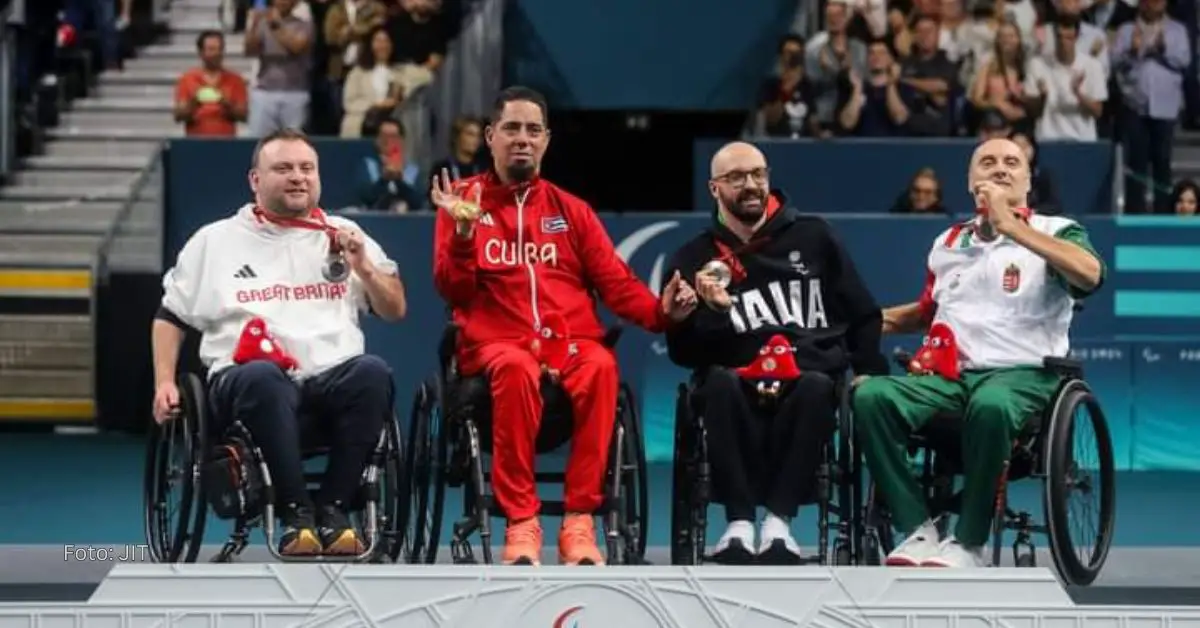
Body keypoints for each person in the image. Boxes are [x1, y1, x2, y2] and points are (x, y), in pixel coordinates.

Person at [431, 86, 697, 567]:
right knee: (513, 367)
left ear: (547, 141)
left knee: (600, 365)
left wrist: (663, 314)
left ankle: (579, 521)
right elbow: (453, 292)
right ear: (490, 136)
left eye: (533, 130)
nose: (522, 139)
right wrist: (465, 237)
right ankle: (521, 523)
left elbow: (617, 285)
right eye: (511, 128)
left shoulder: (571, 211)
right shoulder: (462, 204)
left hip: (569, 345)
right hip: (496, 347)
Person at [150, 128, 408, 557]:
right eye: (283, 168)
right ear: (255, 179)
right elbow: (169, 316)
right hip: (249, 387)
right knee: (264, 379)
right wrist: (164, 381)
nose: (297, 177)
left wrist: (363, 264)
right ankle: (295, 513)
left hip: (331, 384)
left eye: (307, 168)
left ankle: (333, 509)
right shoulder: (214, 241)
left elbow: (395, 308)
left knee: (373, 373)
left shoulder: (344, 233)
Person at [854, 137, 1105, 568]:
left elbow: (1090, 274)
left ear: (1027, 181)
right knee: (871, 397)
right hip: (950, 377)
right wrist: (865, 321)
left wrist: (1014, 228)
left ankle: (968, 540)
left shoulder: (1057, 231)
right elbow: (929, 310)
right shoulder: (948, 241)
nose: (1000, 168)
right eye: (987, 162)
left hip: (1024, 375)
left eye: (1012, 162)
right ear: (972, 183)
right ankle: (917, 528)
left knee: (990, 406)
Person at [664, 142, 889, 565]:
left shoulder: (815, 236)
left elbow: (863, 313)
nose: (750, 185)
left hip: (806, 373)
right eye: (736, 178)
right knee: (718, 385)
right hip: (733, 378)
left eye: (758, 174)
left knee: (818, 387)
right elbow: (683, 352)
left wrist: (868, 369)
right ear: (714, 189)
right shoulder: (694, 258)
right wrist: (710, 312)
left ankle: (779, 524)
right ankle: (739, 524)